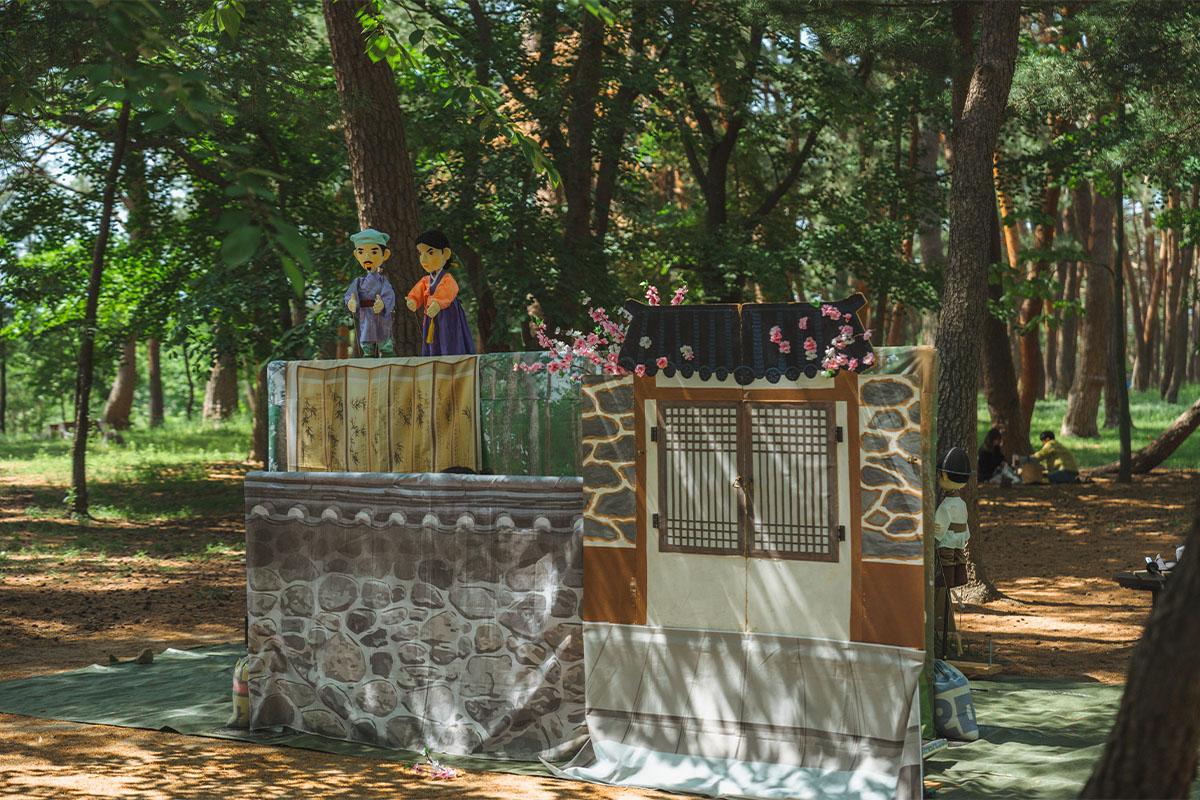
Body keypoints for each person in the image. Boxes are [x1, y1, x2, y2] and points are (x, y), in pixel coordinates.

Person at [406, 229, 476, 356]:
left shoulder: (447, 279)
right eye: (421, 253)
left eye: (430, 252)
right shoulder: (426, 280)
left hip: (448, 315)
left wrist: (437, 303)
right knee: (433, 341)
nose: (423, 258)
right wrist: (413, 300)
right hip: (431, 316)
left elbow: (449, 291)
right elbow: (417, 291)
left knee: (449, 339)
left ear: (446, 253)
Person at [343, 228, 396, 357]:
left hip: (381, 315)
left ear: (385, 254)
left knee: (384, 337)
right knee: (366, 337)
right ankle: (368, 354)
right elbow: (351, 295)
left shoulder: (383, 281)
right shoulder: (358, 282)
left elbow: (389, 295)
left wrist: (383, 304)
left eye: (373, 252)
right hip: (365, 315)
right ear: (356, 255)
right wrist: (351, 301)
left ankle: (387, 353)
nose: (367, 256)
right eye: (361, 252)